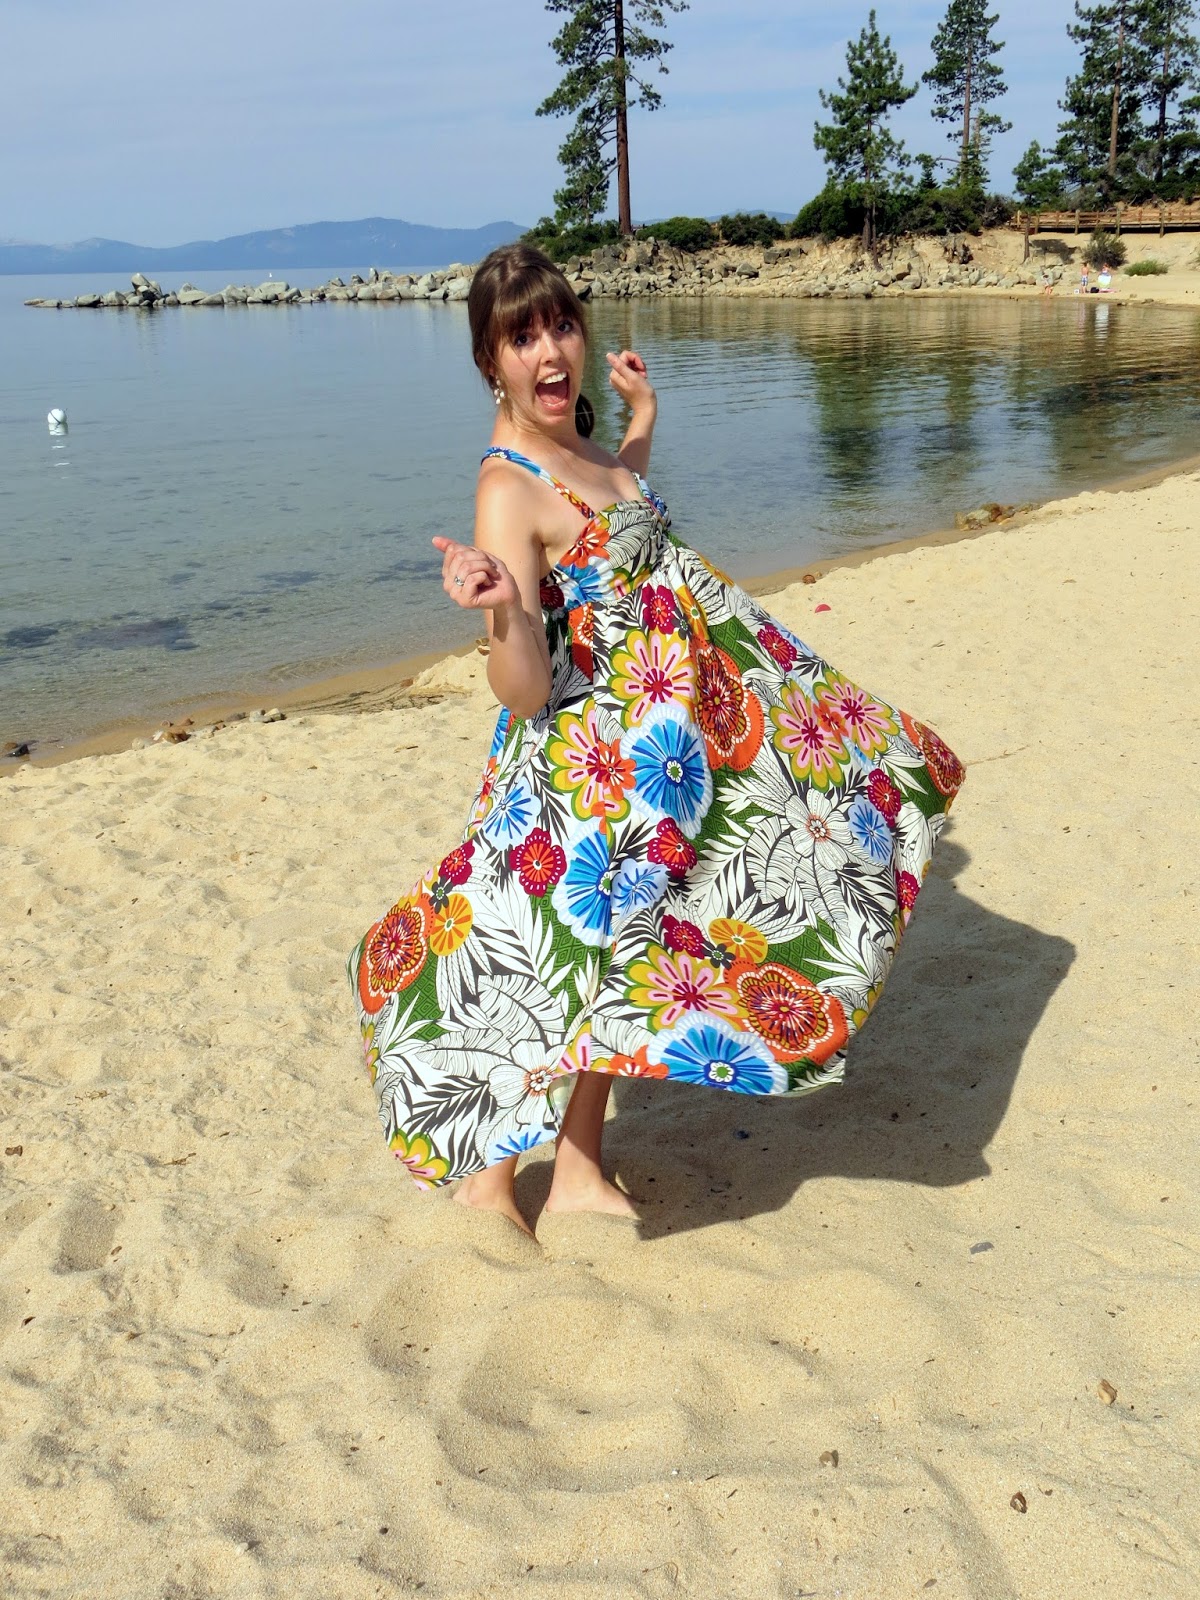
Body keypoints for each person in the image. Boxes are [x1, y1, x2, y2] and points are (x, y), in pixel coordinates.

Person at [348, 242, 965, 1237]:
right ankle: (491, 1182)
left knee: (625, 961)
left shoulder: (580, 444)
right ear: (490, 362)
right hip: (592, 761)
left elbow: (615, 517)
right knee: (556, 959)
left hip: (663, 745)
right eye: (523, 337)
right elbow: (523, 686)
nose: (552, 351)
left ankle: (578, 1167)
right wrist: (501, 609)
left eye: (561, 324)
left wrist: (642, 421)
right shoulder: (505, 486)